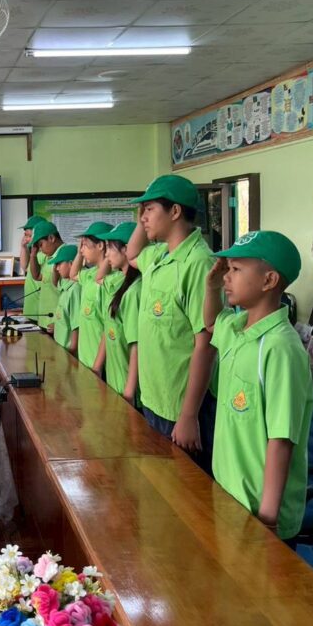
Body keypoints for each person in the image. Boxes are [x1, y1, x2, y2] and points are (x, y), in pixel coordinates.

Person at [203, 231, 313, 541]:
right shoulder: (236, 327)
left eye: (236, 269)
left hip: (259, 511)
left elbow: (281, 438)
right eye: (228, 269)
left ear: (269, 280)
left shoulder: (281, 348)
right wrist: (212, 288)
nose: (227, 276)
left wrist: (268, 519)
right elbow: (211, 324)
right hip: (230, 493)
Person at [126, 175, 216, 469]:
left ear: (175, 211)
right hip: (154, 398)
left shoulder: (198, 262)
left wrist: (188, 416)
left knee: (185, 490)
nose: (143, 217)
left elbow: (206, 344)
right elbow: (132, 254)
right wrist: (143, 217)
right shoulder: (158, 255)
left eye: (150, 209)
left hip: (181, 408)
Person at [96, 222, 141, 402]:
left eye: (109, 248)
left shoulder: (134, 290)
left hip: (128, 390)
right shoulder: (117, 281)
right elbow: (99, 278)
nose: (106, 254)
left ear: (126, 249)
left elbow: (136, 346)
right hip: (115, 382)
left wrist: (129, 392)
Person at [71, 221, 112, 370]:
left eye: (85, 245)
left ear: (100, 245)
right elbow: (73, 274)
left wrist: (97, 367)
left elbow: (108, 327)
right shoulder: (90, 274)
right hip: (86, 359)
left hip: (99, 365)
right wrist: (78, 253)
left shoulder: (108, 281)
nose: (82, 250)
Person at [28, 221, 63, 330]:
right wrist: (33, 255)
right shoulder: (49, 257)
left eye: (41, 245)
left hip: (57, 322)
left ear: (51, 238)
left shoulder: (65, 256)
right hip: (45, 320)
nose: (40, 249)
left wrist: (59, 323)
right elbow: (37, 276)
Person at [47, 243, 79, 353]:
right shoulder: (65, 285)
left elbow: (76, 326)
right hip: (60, 347)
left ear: (71, 264)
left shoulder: (75, 289)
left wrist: (72, 351)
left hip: (68, 350)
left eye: (59, 264)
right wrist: (56, 325)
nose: (56, 268)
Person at [18, 215, 46, 319]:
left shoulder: (46, 254)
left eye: (29, 235)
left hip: (42, 309)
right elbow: (24, 266)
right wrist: (23, 247)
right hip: (31, 307)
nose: (27, 238)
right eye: (25, 235)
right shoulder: (35, 253)